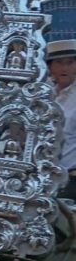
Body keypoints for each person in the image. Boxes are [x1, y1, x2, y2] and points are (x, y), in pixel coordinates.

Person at [47, 40, 76, 199]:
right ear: (50, 67)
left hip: (71, 180)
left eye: (70, 62)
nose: (65, 68)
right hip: (45, 177)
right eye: (59, 62)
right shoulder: (45, 94)